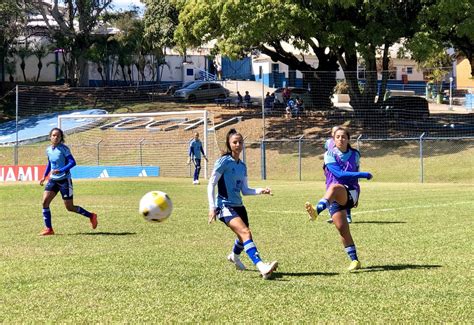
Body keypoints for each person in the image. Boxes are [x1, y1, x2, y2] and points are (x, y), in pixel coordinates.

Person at [207, 128, 278, 279]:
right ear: (229, 144)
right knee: (246, 233)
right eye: (235, 142)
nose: (238, 144)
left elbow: (245, 190)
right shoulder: (223, 161)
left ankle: (234, 255)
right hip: (225, 206)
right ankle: (262, 267)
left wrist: (261, 191)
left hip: (239, 206)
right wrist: (212, 207)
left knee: (241, 237)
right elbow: (211, 184)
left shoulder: (242, 166)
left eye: (240, 142)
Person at [305, 126, 372, 271]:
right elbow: (340, 175)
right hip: (333, 197)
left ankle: (317, 211)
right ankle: (355, 260)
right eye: (338, 137)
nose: (341, 139)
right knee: (342, 229)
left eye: (344, 136)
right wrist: (364, 174)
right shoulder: (329, 154)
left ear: (348, 139)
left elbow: (353, 173)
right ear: (333, 139)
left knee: (335, 188)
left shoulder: (355, 154)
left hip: (350, 192)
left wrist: (357, 196)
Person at [39, 128, 97, 236]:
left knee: (69, 207)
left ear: (61, 138)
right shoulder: (48, 150)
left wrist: (61, 170)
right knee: (45, 202)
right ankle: (49, 229)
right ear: (50, 137)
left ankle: (91, 216)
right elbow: (49, 163)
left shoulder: (64, 149)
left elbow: (73, 162)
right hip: (53, 180)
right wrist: (44, 176)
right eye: (53, 135)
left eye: (58, 136)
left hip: (64, 180)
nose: (55, 137)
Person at [324, 126, 352, 224]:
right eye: (334, 132)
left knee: (345, 191)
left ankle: (348, 215)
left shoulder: (344, 144)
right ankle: (333, 214)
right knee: (331, 190)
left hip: (341, 169)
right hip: (331, 168)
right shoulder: (328, 142)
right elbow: (327, 153)